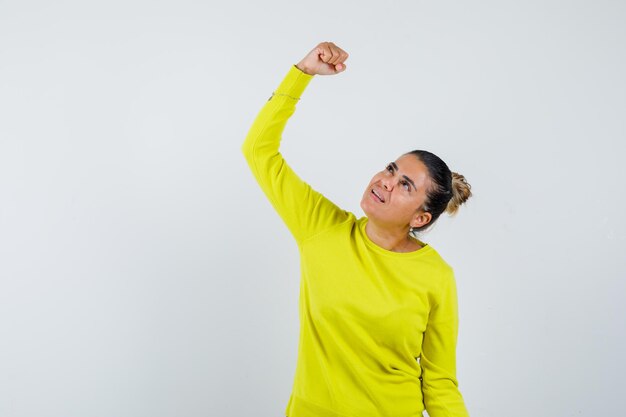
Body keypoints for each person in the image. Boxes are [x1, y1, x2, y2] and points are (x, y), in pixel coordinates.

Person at [242, 41, 472, 417]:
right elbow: (258, 151)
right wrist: (301, 74)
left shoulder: (436, 277)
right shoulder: (320, 227)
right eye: (391, 170)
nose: (385, 181)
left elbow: (440, 381)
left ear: (421, 218)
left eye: (405, 186)